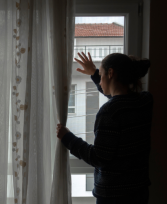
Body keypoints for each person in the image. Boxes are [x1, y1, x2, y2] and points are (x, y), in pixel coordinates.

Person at [56, 52, 153, 204]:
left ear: (111, 73)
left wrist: (67, 138)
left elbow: (98, 157)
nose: (99, 82)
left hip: (113, 195)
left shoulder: (109, 111)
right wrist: (95, 73)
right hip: (139, 191)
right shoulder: (145, 101)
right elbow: (122, 100)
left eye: (100, 76)